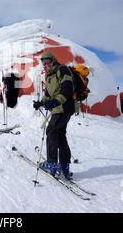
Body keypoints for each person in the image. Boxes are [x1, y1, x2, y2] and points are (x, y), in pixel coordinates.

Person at [32, 51, 75, 179]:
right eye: (43, 62)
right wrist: (41, 103)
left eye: (48, 61)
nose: (46, 64)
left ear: (53, 60)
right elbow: (49, 94)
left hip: (64, 107)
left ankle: (52, 164)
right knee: (60, 135)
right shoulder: (49, 75)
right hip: (58, 108)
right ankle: (64, 165)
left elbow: (67, 89)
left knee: (51, 132)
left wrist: (56, 101)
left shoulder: (63, 70)